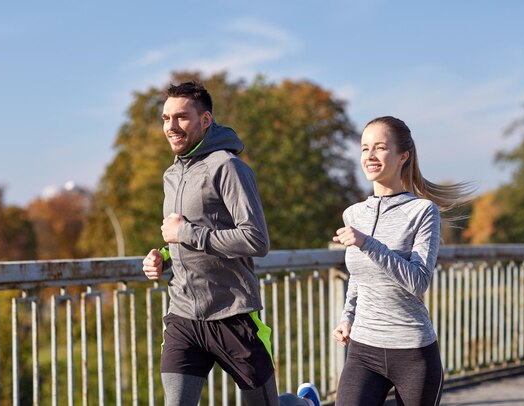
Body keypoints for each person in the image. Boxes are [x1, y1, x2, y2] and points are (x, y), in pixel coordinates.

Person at [142, 81, 320, 406]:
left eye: (181, 117)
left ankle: (305, 403)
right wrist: (164, 256)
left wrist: (185, 234)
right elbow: (187, 236)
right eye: (166, 118)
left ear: (205, 120)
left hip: (232, 315)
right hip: (183, 315)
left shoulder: (228, 167)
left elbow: (256, 239)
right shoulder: (172, 176)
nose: (171, 126)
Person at [331, 116, 472, 406]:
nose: (369, 156)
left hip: (412, 352)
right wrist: (348, 317)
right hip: (363, 349)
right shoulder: (353, 214)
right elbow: (358, 275)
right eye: (364, 148)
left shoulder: (423, 211)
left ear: (402, 156)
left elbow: (418, 282)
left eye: (380, 147)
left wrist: (367, 243)